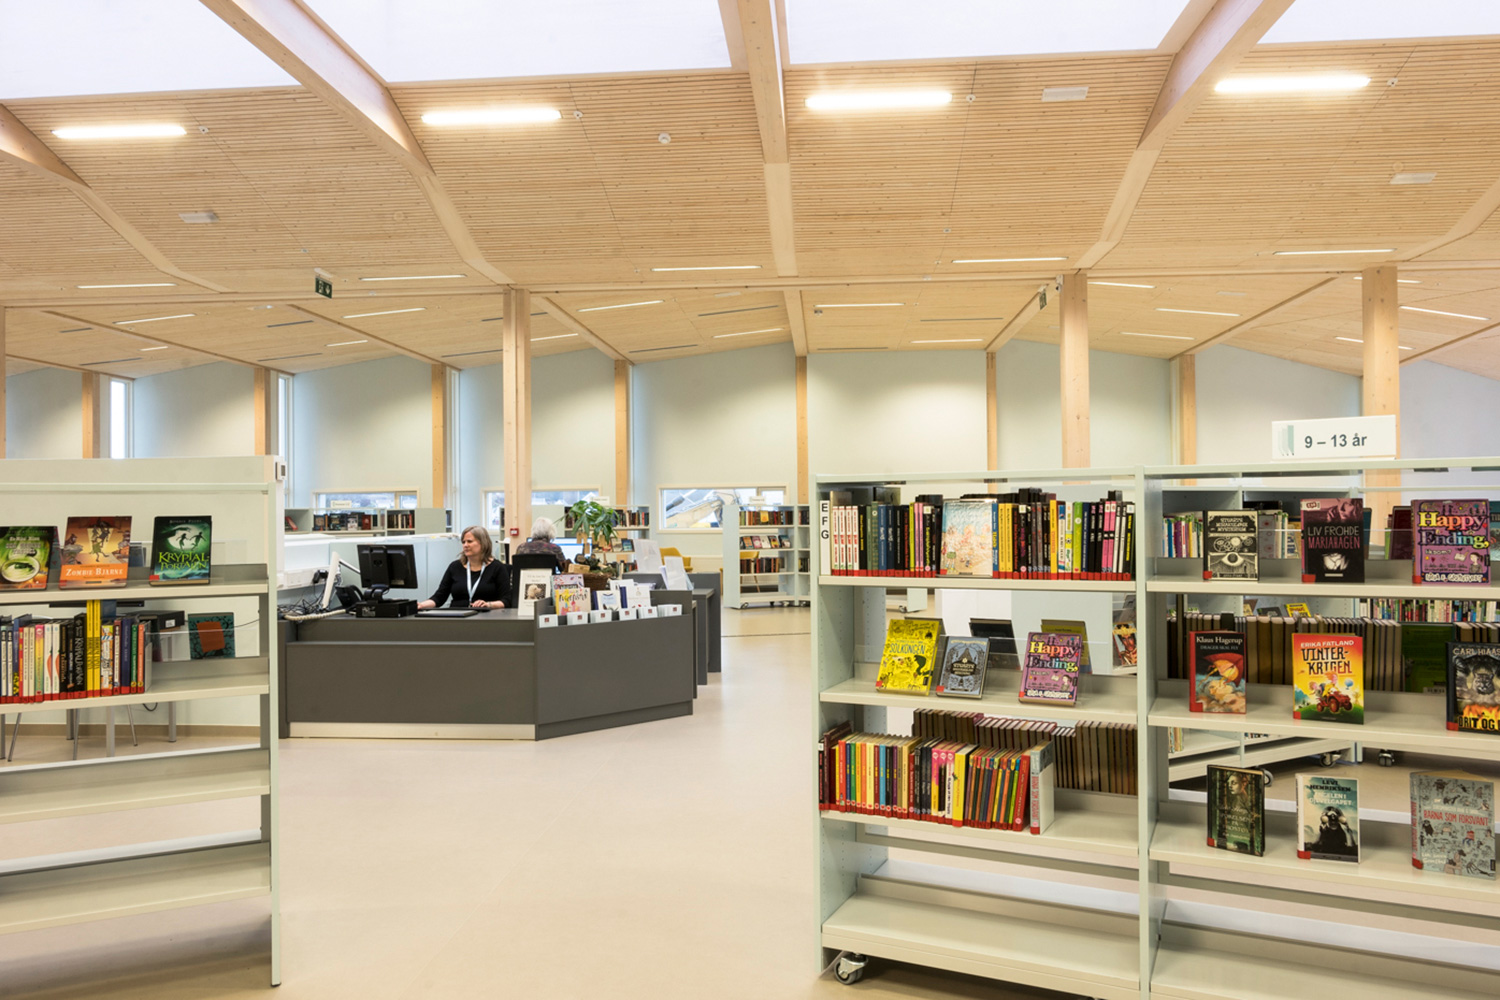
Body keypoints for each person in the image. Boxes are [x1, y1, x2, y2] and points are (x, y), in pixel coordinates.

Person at [418, 525, 507, 610]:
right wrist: (421, 605)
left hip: (485, 616)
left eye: (469, 541)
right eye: (463, 542)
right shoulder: (454, 567)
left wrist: (488, 604)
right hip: (457, 616)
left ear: (483, 543)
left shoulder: (497, 568)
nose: (465, 545)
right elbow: (439, 597)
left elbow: (506, 600)